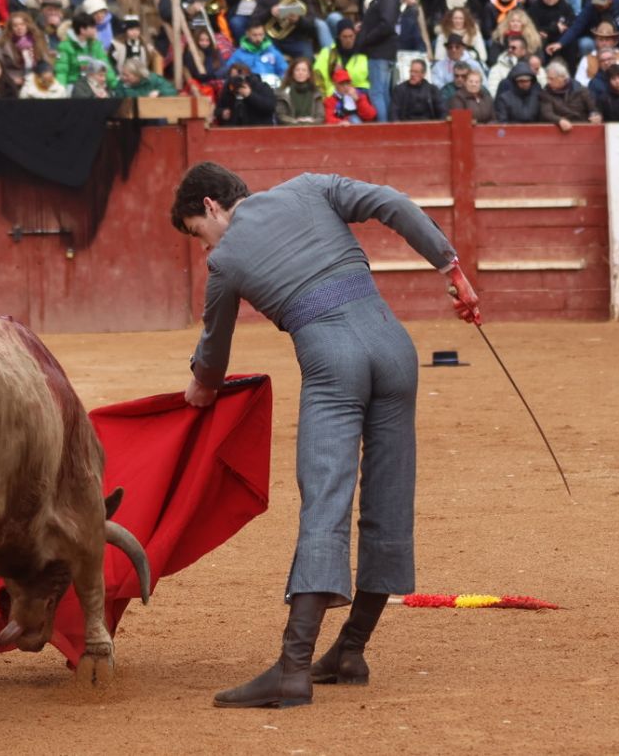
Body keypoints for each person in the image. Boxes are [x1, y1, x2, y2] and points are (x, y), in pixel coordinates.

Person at [170, 162, 479, 709]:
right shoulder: (311, 187)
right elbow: (393, 201)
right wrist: (449, 266)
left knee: (325, 505)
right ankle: (350, 649)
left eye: (198, 232)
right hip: (394, 349)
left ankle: (293, 669)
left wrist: (200, 387)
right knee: (388, 500)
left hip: (333, 363)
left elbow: (212, 356)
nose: (203, 247)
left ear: (212, 207)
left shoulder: (227, 260)